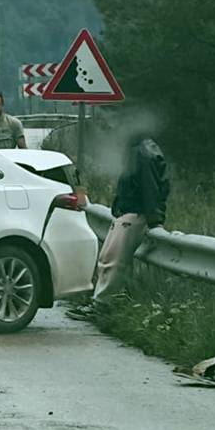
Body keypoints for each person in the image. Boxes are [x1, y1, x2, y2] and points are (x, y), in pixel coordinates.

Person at [67, 132, 170, 320]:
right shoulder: (139, 149)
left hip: (134, 213)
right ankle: (104, 302)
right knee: (108, 258)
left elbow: (150, 188)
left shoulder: (143, 152)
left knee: (113, 261)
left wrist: (155, 220)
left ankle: (103, 305)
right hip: (129, 212)